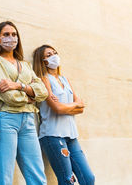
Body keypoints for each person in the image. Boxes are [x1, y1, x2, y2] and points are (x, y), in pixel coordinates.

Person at [0, 21, 48, 185]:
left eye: (14, 34)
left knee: (37, 176)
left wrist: (19, 85)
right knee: (4, 176)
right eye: (6, 35)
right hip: (5, 119)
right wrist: (30, 96)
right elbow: (9, 97)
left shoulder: (25, 65)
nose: (10, 38)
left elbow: (43, 91)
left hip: (28, 120)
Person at [32, 44, 95, 185]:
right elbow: (58, 109)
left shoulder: (65, 80)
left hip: (71, 135)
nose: (54, 56)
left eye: (54, 53)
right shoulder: (43, 80)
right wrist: (74, 105)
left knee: (88, 178)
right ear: (42, 61)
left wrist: (66, 106)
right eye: (48, 55)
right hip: (53, 135)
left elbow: (81, 108)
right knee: (68, 181)